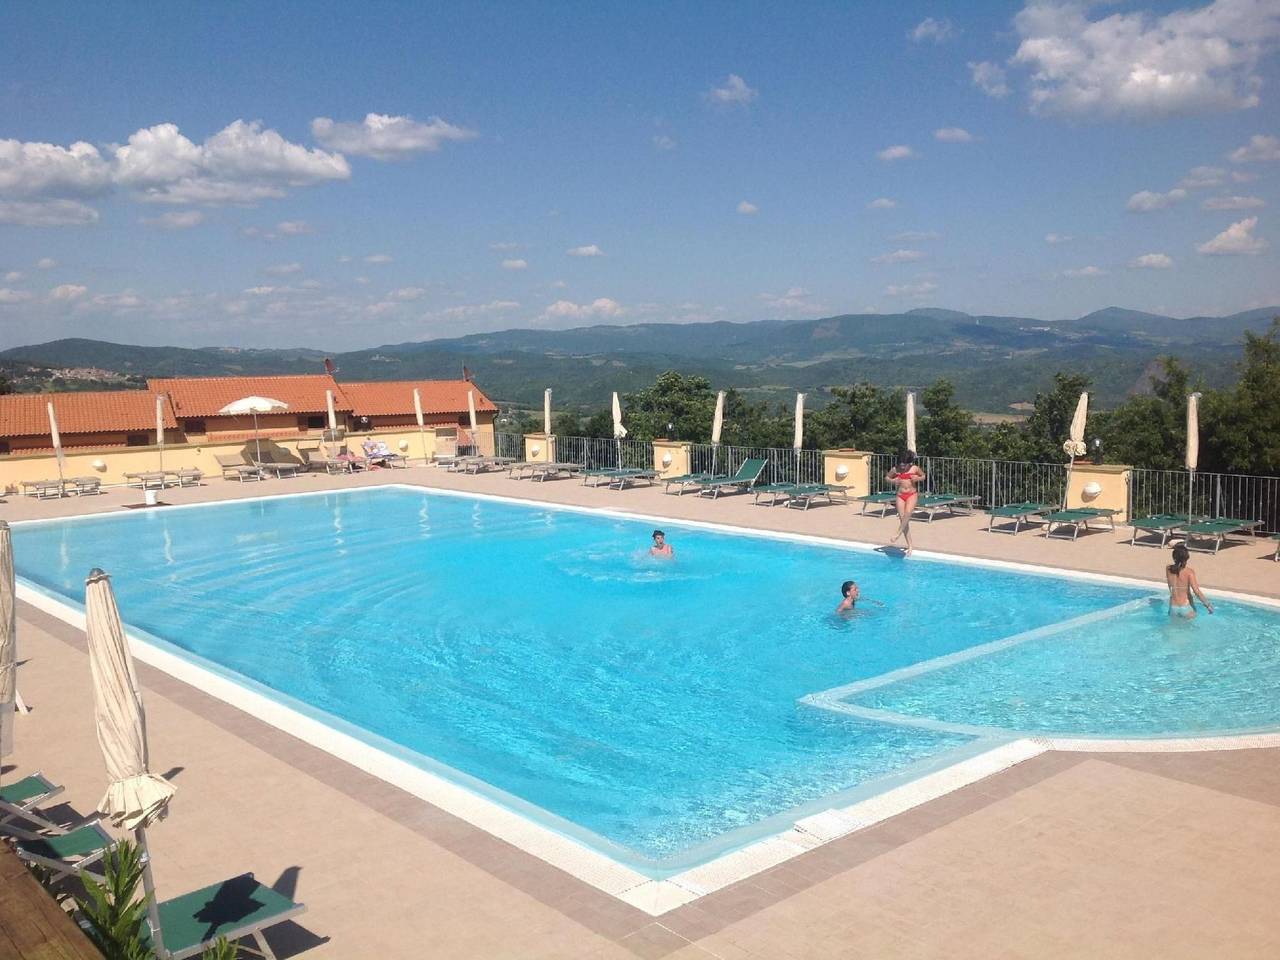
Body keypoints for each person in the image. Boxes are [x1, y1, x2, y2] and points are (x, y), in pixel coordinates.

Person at [887, 449, 925, 556]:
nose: (902, 466)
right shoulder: (895, 469)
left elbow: (923, 476)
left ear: (909, 462)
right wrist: (893, 481)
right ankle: (910, 545)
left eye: (905, 464)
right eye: (901, 464)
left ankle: (898, 533)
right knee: (903, 519)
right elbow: (887, 477)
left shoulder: (914, 468)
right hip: (900, 496)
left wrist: (917, 478)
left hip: (912, 494)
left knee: (908, 513)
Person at [1166, 543, 1213, 618]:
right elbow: (1196, 591)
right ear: (1186, 558)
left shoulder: (1168, 569)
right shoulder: (1189, 572)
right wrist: (1208, 605)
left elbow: (1170, 586)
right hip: (1185, 607)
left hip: (1173, 608)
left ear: (1174, 557)